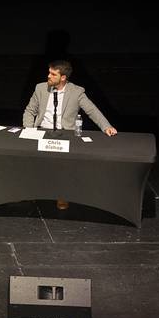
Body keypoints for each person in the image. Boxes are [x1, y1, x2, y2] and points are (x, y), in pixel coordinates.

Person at [22, 60, 117, 210]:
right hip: (42, 130)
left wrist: (106, 127)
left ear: (63, 77)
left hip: (64, 133)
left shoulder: (76, 92)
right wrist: (29, 129)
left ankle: (62, 194)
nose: (48, 76)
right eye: (49, 72)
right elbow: (30, 111)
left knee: (64, 164)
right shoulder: (40, 88)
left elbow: (92, 110)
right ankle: (31, 191)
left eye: (53, 74)